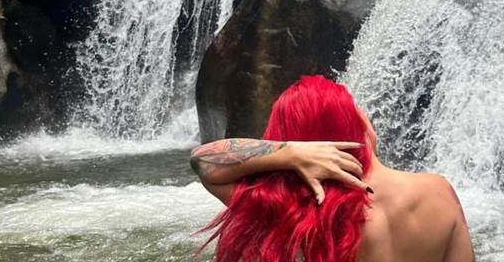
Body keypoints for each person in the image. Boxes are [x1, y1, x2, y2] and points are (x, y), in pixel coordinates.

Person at [190, 75, 474, 262]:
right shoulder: (439, 191)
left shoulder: (291, 212)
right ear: (357, 122)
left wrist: (290, 152)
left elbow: (203, 161)